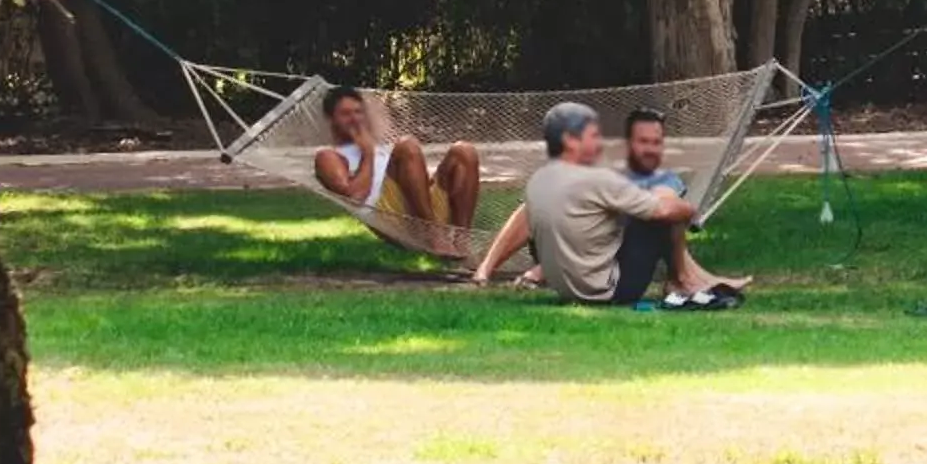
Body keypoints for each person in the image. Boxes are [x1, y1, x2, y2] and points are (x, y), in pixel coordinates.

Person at [470, 102, 732, 308]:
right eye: (592, 135)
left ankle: (490, 270)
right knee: (660, 212)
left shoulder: (540, 181)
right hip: (609, 290)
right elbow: (664, 210)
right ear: (571, 140)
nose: (598, 142)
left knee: (628, 211)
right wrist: (690, 209)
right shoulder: (600, 179)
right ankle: (683, 281)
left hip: (565, 287)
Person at [313, 86, 481, 260]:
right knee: (407, 145)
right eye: (346, 114)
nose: (355, 119)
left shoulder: (380, 146)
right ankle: (433, 233)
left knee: (464, 152)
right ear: (331, 118)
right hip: (389, 216)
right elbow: (355, 197)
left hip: (420, 208)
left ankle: (462, 241)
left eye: (358, 112)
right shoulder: (328, 155)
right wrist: (368, 153)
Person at [622, 106, 750, 300]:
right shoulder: (613, 181)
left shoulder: (665, 178)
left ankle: (689, 278)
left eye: (656, 142)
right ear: (629, 143)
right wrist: (687, 211)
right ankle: (685, 279)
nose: (650, 149)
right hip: (614, 273)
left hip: (632, 270)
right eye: (643, 141)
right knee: (667, 210)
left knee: (667, 205)